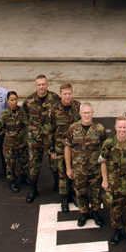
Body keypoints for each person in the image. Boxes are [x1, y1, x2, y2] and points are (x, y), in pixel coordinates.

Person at [100, 116, 126, 246]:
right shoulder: (108, 143)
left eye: (124, 127)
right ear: (115, 128)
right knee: (115, 210)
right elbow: (103, 161)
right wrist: (105, 180)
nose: (122, 130)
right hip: (115, 184)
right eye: (120, 127)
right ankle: (117, 230)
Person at [65, 103, 107, 227]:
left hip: (95, 169)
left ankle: (95, 212)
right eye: (84, 113)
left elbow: (105, 149)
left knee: (96, 193)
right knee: (80, 193)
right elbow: (67, 148)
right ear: (80, 113)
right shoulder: (73, 129)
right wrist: (68, 168)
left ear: (93, 113)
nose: (87, 115)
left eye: (89, 113)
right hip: (79, 170)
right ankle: (84, 213)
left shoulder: (99, 129)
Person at [23, 75, 61, 202]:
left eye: (43, 84)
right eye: (39, 85)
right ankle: (33, 189)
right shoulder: (29, 100)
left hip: (51, 138)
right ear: (35, 86)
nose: (41, 87)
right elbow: (24, 117)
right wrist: (35, 129)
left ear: (47, 85)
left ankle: (57, 184)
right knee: (34, 163)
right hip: (35, 139)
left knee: (54, 163)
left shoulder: (55, 98)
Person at [47, 83, 81, 213]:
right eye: (65, 94)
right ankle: (64, 198)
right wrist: (51, 151)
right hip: (60, 148)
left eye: (69, 93)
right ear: (60, 94)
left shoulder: (78, 106)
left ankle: (74, 195)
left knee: (75, 172)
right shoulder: (54, 109)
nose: (67, 97)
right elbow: (48, 130)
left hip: (75, 148)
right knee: (63, 173)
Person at [0, 91, 29, 193]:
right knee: (10, 164)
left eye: (15, 99)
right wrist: (8, 137)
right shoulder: (4, 115)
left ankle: (24, 177)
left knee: (24, 161)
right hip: (10, 145)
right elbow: (0, 129)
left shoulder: (22, 111)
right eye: (11, 100)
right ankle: (12, 181)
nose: (14, 102)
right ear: (7, 101)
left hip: (22, 143)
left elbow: (26, 123)